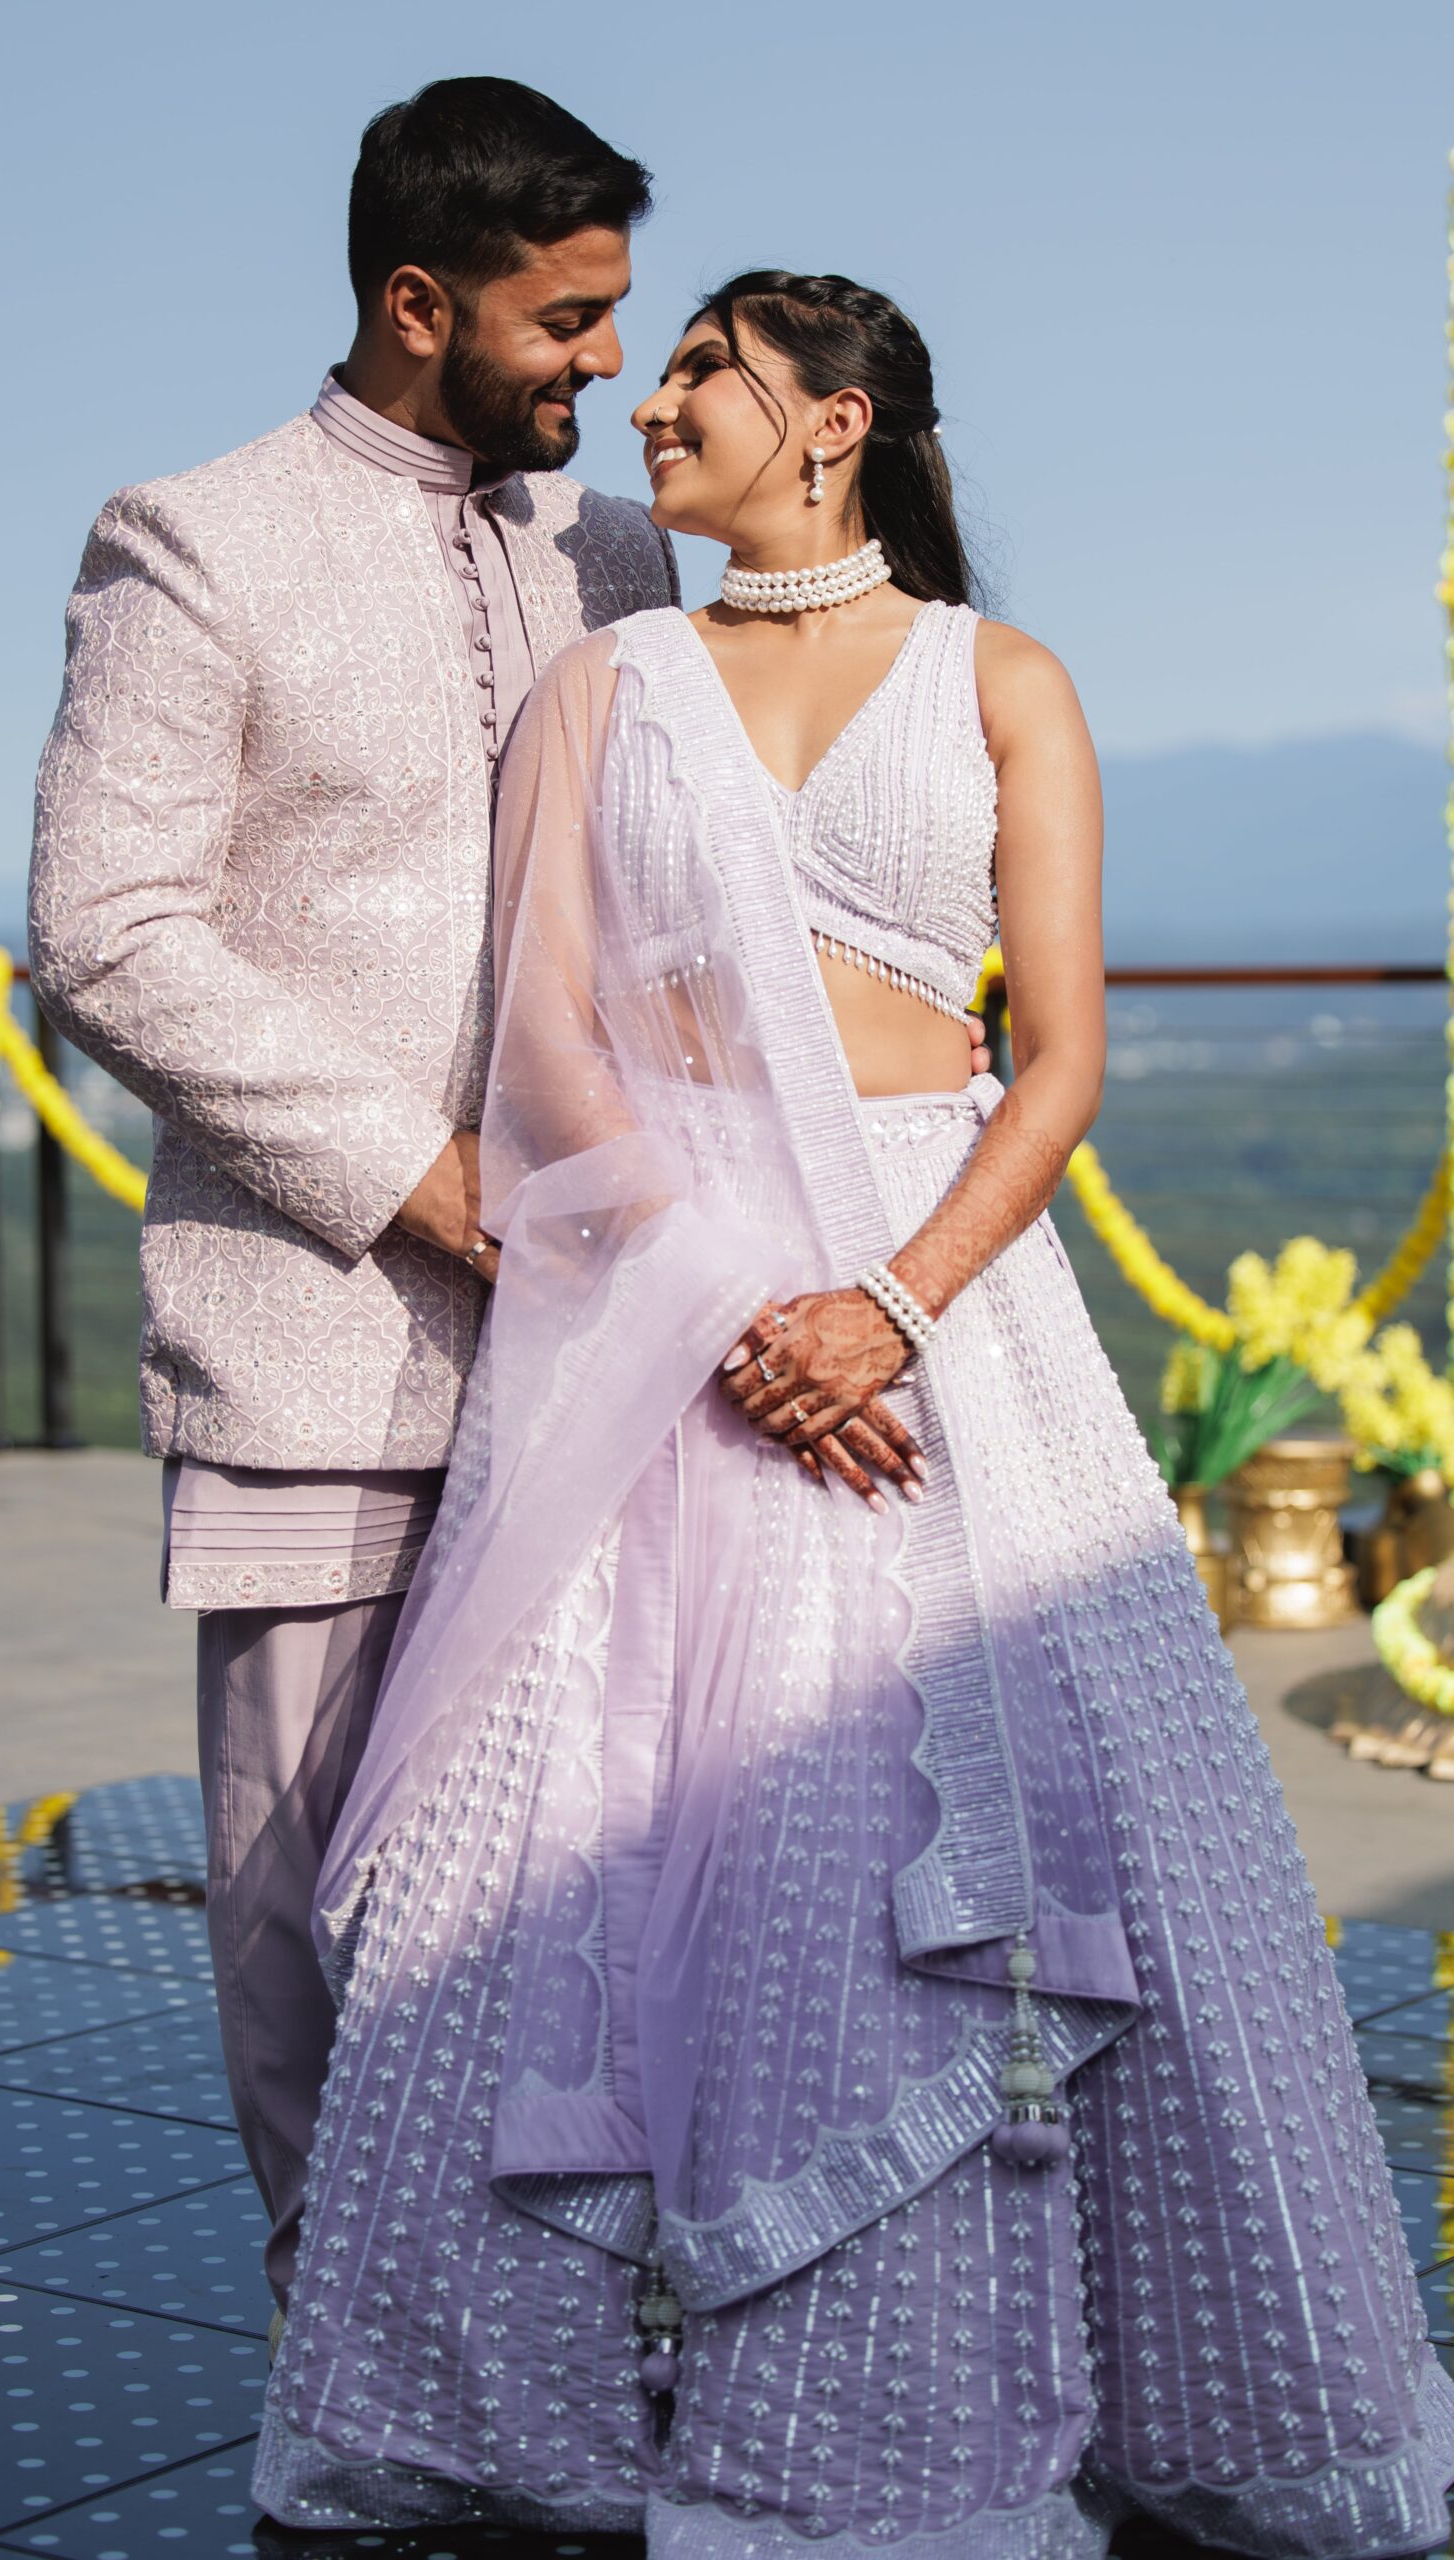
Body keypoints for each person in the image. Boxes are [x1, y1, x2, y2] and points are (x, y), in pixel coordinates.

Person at [254, 271, 1454, 2554]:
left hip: (943, 1296)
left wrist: (887, 1307)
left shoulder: (1000, 678)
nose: (658, 402)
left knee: (1070, 1834)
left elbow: (1059, 1057)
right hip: (666, 1305)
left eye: (706, 367)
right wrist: (733, 1319)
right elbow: (550, 1050)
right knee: (594, 1832)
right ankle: (545, 2410)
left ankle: (1146, 2392)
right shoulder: (608, 688)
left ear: (836, 420)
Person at [28, 77, 709, 2332]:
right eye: (567, 318)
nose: (609, 361)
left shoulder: (617, 559)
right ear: (419, 302)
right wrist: (423, 1181)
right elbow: (106, 929)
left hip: (595, 1341)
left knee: (578, 1860)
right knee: (303, 1884)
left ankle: (556, 2327)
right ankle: (352, 2360)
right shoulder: (196, 539)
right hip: (318, 1330)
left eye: (615, 313)